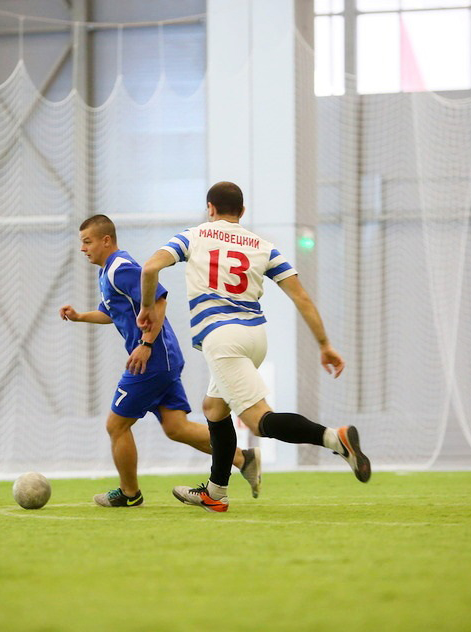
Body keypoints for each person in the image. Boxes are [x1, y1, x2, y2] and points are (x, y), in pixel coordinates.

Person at [136, 182, 370, 513]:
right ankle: (216, 492)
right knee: (214, 409)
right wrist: (324, 344)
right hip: (255, 337)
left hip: (222, 338)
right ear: (242, 211)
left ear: (210, 208)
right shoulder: (263, 246)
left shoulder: (194, 236)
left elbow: (150, 267)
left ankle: (335, 438)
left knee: (259, 420)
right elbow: (301, 297)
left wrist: (147, 307)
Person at [60, 214, 262, 508]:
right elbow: (110, 313)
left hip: (152, 360)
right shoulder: (107, 272)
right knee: (176, 427)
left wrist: (145, 343)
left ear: (106, 240)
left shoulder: (121, 268)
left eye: (87, 242)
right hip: (162, 358)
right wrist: (80, 316)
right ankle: (243, 458)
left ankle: (130, 494)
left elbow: (159, 300)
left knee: (116, 425)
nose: (83, 248)